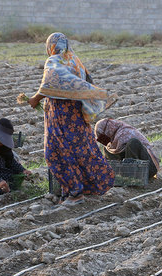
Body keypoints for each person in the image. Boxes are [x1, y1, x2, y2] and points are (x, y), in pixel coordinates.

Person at [27, 32, 115, 205]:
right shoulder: (75, 61)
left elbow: (49, 83)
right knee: (81, 149)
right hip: (76, 116)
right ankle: (87, 187)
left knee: (55, 152)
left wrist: (35, 99)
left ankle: (75, 193)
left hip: (61, 117)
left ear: (50, 46)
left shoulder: (54, 61)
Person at [94, 118, 160, 179]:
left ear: (107, 129)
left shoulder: (125, 132)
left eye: (102, 135)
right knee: (107, 149)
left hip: (147, 168)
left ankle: (132, 176)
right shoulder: (113, 141)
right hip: (129, 168)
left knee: (133, 143)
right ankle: (121, 176)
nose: (103, 139)